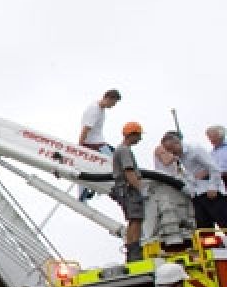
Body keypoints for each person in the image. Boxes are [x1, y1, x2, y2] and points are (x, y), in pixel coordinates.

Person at [153, 130, 225, 229]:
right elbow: (188, 174)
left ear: (177, 143)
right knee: (204, 227)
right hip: (196, 194)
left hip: (210, 191)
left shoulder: (195, 149)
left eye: (171, 149)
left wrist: (213, 187)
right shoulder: (179, 157)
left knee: (223, 221)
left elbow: (214, 167)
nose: (171, 153)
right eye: (168, 151)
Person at [77, 88, 121, 201]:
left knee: (116, 159)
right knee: (112, 161)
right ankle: (89, 190)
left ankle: (96, 187)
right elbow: (85, 129)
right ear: (107, 98)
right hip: (92, 144)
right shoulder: (94, 110)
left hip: (99, 142)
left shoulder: (101, 109)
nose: (113, 106)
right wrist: (79, 148)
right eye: (113, 103)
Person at [111, 121, 146, 262]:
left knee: (133, 220)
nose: (140, 139)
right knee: (136, 219)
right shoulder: (124, 150)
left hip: (123, 190)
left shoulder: (120, 149)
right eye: (138, 135)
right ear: (132, 134)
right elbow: (129, 172)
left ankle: (132, 251)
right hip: (129, 190)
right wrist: (141, 189)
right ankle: (134, 252)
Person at [208, 124, 227, 189]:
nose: (209, 139)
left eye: (211, 136)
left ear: (220, 136)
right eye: (209, 137)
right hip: (216, 183)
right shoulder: (211, 153)